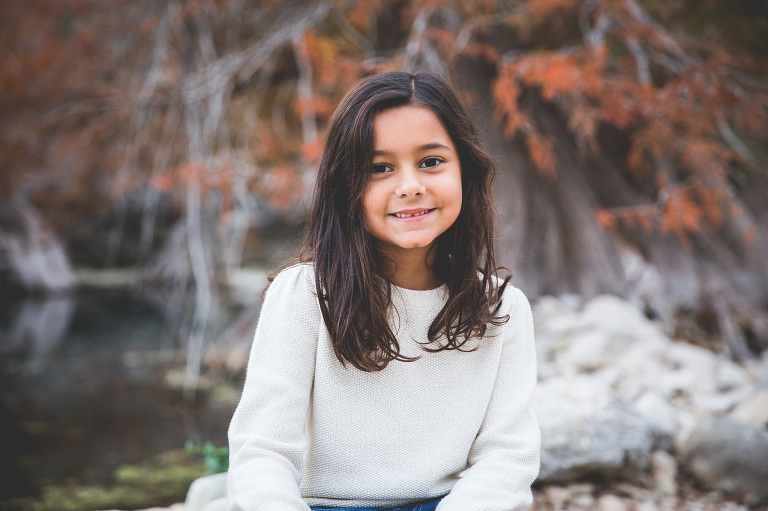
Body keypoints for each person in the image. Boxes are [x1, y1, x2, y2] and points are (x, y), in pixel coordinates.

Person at [226, 71, 540, 511]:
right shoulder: (304, 295)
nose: (409, 185)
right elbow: (262, 452)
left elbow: (508, 456)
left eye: (431, 161)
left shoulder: (502, 309)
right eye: (380, 168)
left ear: (466, 171)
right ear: (346, 186)